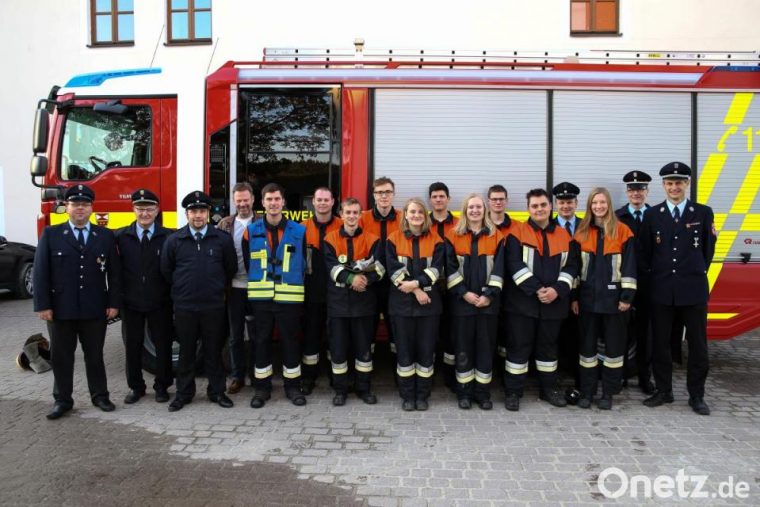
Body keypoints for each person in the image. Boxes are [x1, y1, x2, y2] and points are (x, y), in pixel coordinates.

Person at [33, 184, 121, 420]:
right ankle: (62, 400)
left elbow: (114, 273)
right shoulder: (51, 234)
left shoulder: (104, 235)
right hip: (61, 309)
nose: (80, 208)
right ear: (67, 207)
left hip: (94, 307)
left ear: (91, 208)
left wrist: (114, 302)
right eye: (75, 204)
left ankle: (100, 396)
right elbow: (40, 272)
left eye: (85, 204)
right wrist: (43, 305)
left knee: (95, 355)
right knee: (62, 357)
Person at [639, 162, 716, 415]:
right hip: (662, 290)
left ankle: (696, 396)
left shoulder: (703, 213)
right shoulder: (653, 215)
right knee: (660, 344)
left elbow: (707, 252)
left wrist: (689, 272)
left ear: (687, 184)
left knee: (698, 346)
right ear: (663, 186)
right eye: (670, 183)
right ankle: (664, 391)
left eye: (679, 182)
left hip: (693, 290)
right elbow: (647, 254)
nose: (674, 187)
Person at [161, 191, 237, 412]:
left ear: (208, 213)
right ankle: (184, 394)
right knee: (186, 352)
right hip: (185, 306)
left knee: (213, 351)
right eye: (193, 211)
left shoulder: (221, 239)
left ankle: (217, 392)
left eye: (202, 211)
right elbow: (167, 271)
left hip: (213, 306)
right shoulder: (174, 240)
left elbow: (229, 269)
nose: (198, 215)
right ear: (187, 213)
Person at [503, 188, 579, 411]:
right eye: (534, 206)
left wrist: (557, 290)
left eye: (543, 205)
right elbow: (514, 265)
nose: (539, 209)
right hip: (522, 305)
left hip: (553, 304)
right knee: (518, 348)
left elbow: (572, 266)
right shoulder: (517, 234)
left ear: (550, 207)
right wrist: (537, 289)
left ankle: (548, 390)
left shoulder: (566, 236)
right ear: (528, 209)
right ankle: (513, 392)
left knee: (548, 350)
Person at [571, 188, 636, 409]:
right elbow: (575, 270)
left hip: (614, 302)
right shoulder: (581, 233)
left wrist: (626, 297)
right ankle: (587, 393)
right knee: (587, 351)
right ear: (589, 206)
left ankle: (608, 393)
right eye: (594, 203)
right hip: (588, 301)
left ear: (608, 204)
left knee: (614, 352)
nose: (598, 206)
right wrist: (574, 298)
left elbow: (629, 268)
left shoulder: (623, 232)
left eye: (602, 202)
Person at [244, 183, 308, 408]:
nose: (273, 203)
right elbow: (247, 261)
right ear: (262, 202)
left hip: (289, 298)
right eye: (269, 199)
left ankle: (293, 387)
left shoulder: (299, 231)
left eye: (277, 199)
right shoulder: (250, 231)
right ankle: (262, 389)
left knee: (290, 342)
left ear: (283, 202)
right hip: (261, 299)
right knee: (260, 342)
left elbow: (304, 263)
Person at [387, 198, 449, 411]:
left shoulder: (437, 240)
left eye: (420, 213)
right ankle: (407, 396)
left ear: (425, 216)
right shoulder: (393, 239)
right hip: (402, 305)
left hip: (428, 307)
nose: (415, 216)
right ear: (405, 215)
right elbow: (393, 269)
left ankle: (422, 395)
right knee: (404, 352)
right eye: (412, 212)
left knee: (425, 352)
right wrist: (417, 289)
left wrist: (417, 283)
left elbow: (437, 270)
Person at [445, 194, 505, 410]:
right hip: (463, 304)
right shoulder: (453, 236)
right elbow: (449, 269)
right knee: (463, 349)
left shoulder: (496, 236)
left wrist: (489, 295)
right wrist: (465, 294)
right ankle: (464, 393)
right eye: (471, 207)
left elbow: (499, 270)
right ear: (465, 210)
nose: (475, 211)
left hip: (488, 305)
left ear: (484, 210)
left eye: (479, 207)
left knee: (485, 349)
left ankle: (483, 393)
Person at [323, 198, 384, 405]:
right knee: (338, 350)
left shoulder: (372, 239)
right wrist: (352, 278)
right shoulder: (330, 239)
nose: (351, 216)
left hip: (364, 304)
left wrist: (365, 279)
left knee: (363, 349)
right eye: (347, 212)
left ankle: (363, 389)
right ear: (341, 214)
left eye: (355, 212)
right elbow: (331, 267)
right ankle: (340, 390)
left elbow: (380, 268)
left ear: (360, 215)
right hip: (338, 305)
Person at [115, 188, 173, 404]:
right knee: (133, 346)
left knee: (163, 345)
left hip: (160, 301)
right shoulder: (121, 237)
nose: (145, 213)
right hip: (131, 302)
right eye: (140, 209)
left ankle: (162, 386)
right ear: (133, 210)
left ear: (157, 210)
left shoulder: (168, 237)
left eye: (149, 209)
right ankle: (136, 387)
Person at [615, 170, 655, 394]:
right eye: (632, 189)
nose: (636, 193)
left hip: (649, 286)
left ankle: (644, 378)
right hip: (622, 285)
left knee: (646, 334)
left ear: (647, 191)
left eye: (640, 189)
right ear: (627, 192)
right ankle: (619, 376)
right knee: (620, 333)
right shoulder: (617, 217)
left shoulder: (657, 216)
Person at [300, 187, 342, 395]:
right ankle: (309, 377)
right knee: (311, 336)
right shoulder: (301, 228)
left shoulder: (343, 225)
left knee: (336, 337)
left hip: (338, 292)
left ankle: (337, 378)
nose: (323, 203)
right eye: (319, 200)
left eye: (327, 199)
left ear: (333, 202)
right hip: (312, 292)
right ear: (313, 202)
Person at [216, 182, 257, 394]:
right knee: (235, 335)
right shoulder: (224, 224)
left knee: (258, 334)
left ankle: (256, 374)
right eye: (238, 200)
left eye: (245, 199)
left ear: (253, 199)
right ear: (234, 201)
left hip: (258, 287)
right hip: (234, 288)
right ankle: (237, 376)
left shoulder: (262, 222)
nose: (242, 203)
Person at [360, 177, 402, 355]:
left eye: (387, 192)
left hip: (396, 283)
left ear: (393, 194)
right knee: (367, 327)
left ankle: (398, 367)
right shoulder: (362, 218)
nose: (384, 196)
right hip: (370, 283)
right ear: (373, 195)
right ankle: (366, 368)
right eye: (379, 192)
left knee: (396, 327)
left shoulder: (404, 217)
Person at [487, 184, 520, 370]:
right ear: (488, 202)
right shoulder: (481, 225)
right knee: (489, 330)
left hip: (512, 288)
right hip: (488, 287)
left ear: (506, 201)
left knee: (509, 330)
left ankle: (502, 369)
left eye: (501, 199)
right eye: (494, 199)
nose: (498, 202)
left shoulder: (518, 227)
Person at [428, 182, 457, 391]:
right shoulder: (422, 222)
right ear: (430, 200)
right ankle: (429, 372)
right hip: (430, 285)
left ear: (448, 199)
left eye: (442, 196)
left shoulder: (458, 223)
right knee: (429, 331)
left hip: (453, 285)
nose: (438, 199)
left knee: (450, 332)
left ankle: (449, 375)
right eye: (435, 196)